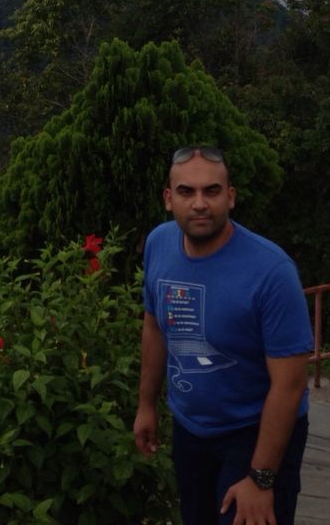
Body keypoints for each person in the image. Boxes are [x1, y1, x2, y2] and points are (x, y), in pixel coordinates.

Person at [134, 145, 313, 525]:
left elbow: (290, 384)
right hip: (191, 429)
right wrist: (146, 404)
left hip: (255, 430)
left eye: (211, 191)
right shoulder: (159, 245)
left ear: (230, 197)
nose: (199, 203)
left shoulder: (272, 272)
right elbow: (154, 325)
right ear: (169, 199)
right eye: (186, 192)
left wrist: (261, 479)